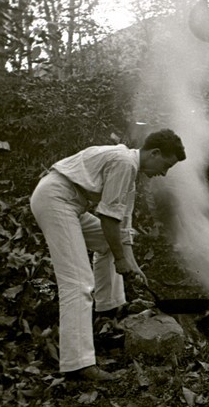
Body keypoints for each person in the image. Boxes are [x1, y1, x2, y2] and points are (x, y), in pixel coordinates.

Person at [30, 129, 186, 381]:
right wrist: (121, 260)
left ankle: (108, 309)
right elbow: (108, 219)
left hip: (70, 203)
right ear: (155, 153)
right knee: (77, 282)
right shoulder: (124, 163)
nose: (164, 173)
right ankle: (78, 365)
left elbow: (122, 226)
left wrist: (132, 264)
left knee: (107, 243)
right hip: (56, 199)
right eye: (166, 165)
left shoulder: (130, 171)